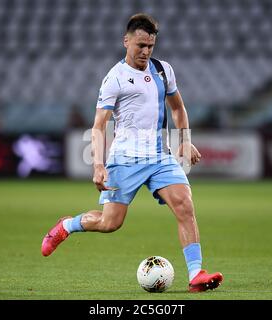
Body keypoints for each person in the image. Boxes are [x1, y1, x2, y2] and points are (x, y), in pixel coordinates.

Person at [41, 13, 223, 293]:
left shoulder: (163, 70)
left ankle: (196, 274)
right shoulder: (115, 78)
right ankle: (67, 224)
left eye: (150, 46)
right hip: (125, 158)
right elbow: (99, 125)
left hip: (159, 156)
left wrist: (185, 141)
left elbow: (177, 108)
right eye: (140, 45)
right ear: (126, 41)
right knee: (109, 223)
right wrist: (98, 165)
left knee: (185, 205)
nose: (146, 51)